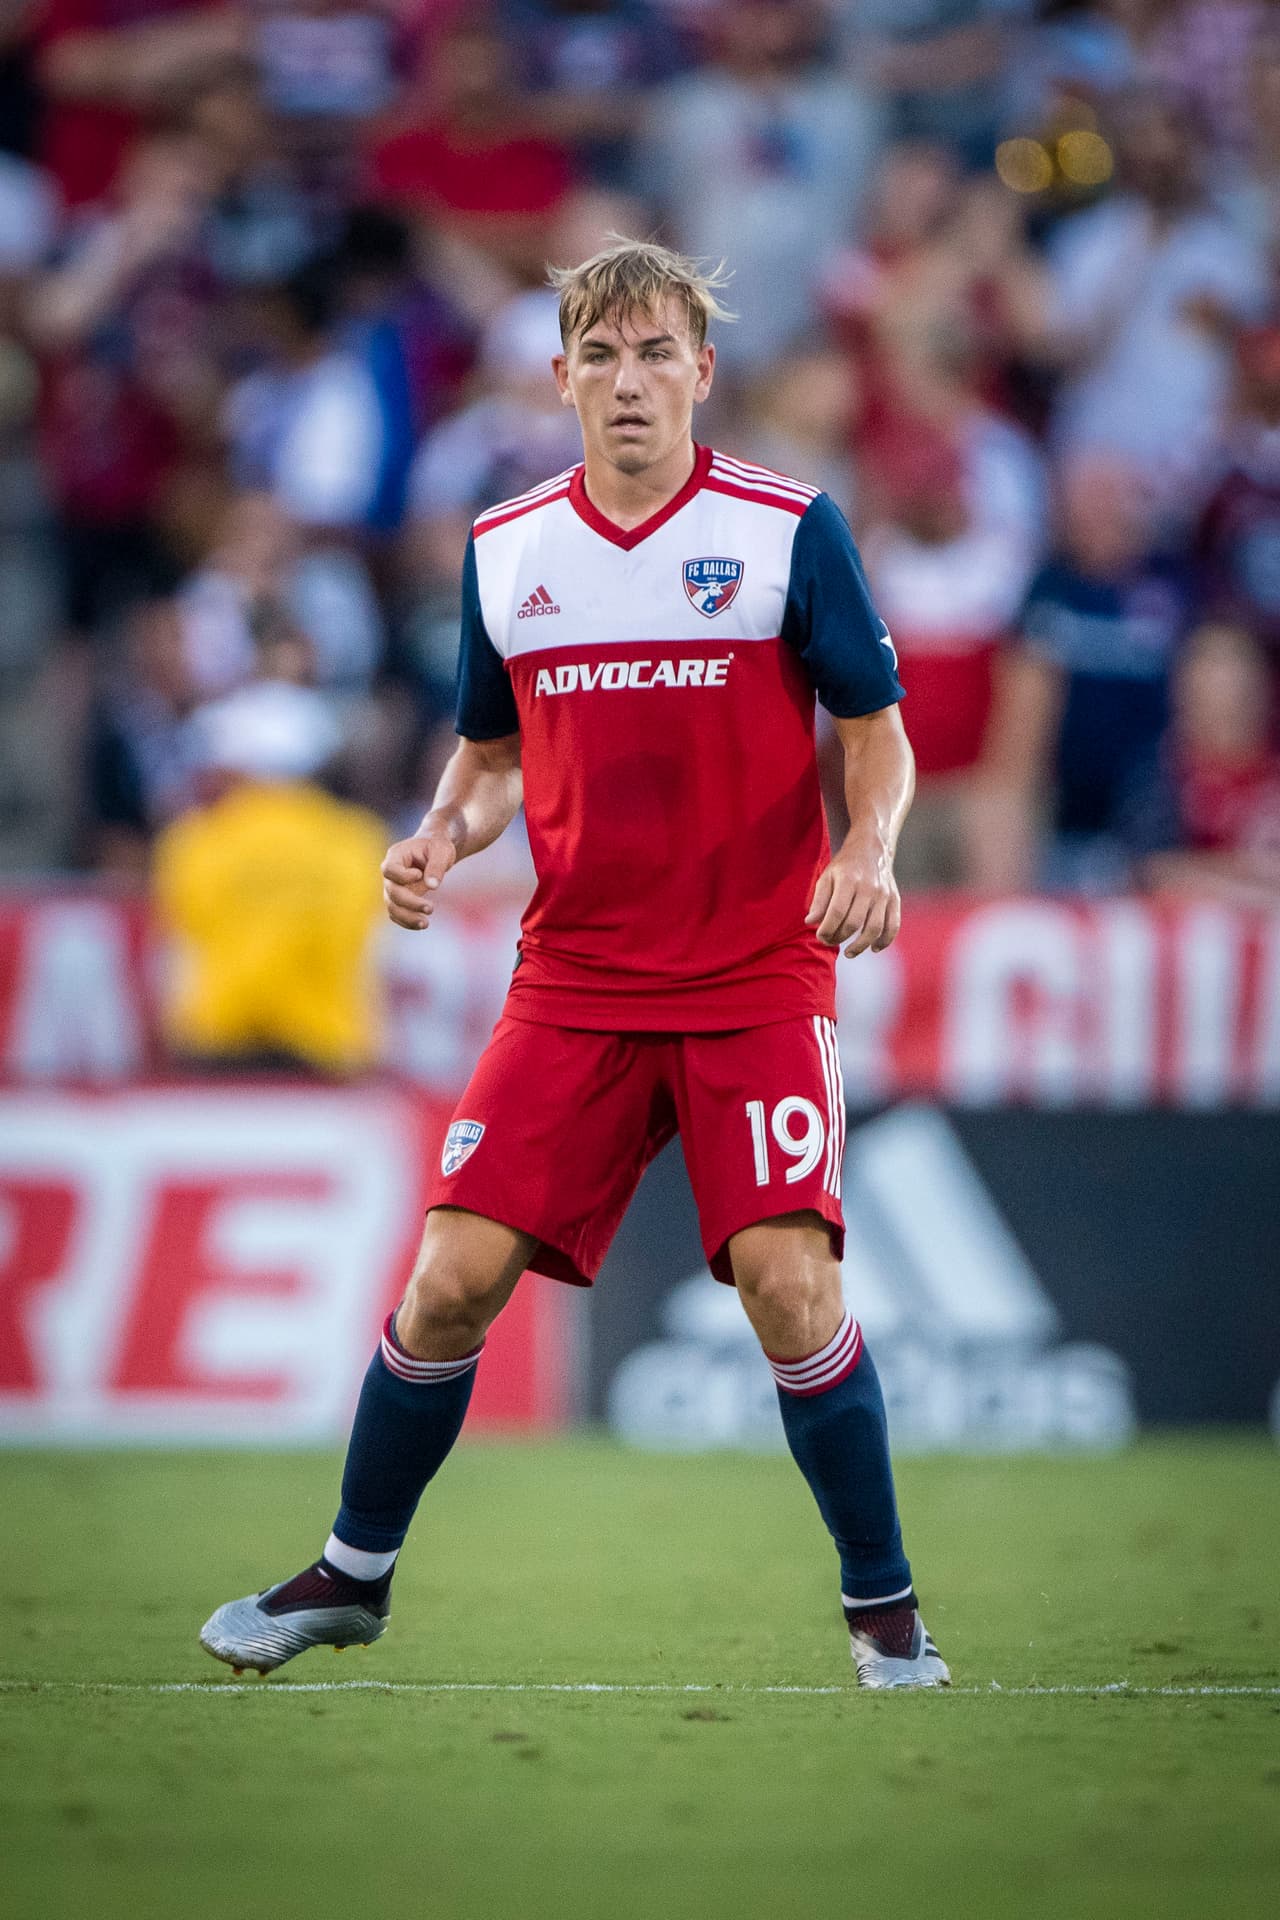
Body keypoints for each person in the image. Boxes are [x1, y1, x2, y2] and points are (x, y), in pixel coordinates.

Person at [199, 238, 949, 1691]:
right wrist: (439, 834)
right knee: (446, 1283)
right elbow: (490, 759)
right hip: (578, 979)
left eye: (656, 352)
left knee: (789, 1287)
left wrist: (870, 848)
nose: (628, 382)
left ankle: (886, 1611)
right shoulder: (509, 549)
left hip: (754, 970)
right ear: (559, 378)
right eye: (599, 356)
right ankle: (352, 1574)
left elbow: (878, 730)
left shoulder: (790, 528)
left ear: (702, 372)